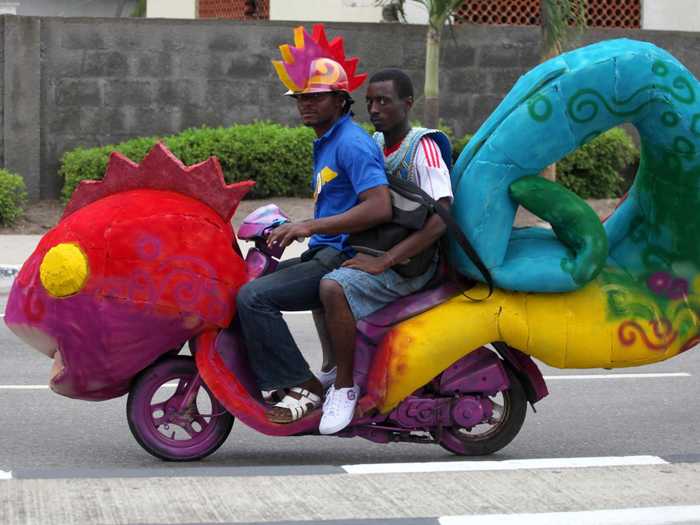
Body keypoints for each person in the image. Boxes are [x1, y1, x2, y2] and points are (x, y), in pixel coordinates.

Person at [235, 25, 391, 424]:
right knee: (243, 287)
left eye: (316, 97)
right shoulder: (325, 141)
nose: (306, 104)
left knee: (255, 298)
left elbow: (379, 207)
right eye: (301, 97)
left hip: (341, 258)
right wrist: (290, 228)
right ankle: (281, 378)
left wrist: (308, 227)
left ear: (340, 101)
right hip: (324, 251)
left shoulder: (351, 143)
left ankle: (304, 387)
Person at [317, 68, 454, 434]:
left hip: (412, 263)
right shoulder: (375, 143)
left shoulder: (422, 147)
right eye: (370, 102)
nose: (375, 109)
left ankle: (344, 389)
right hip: (383, 251)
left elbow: (442, 218)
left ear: (407, 104)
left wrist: (387, 260)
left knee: (333, 286)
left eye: (384, 101)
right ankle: (334, 367)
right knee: (313, 270)